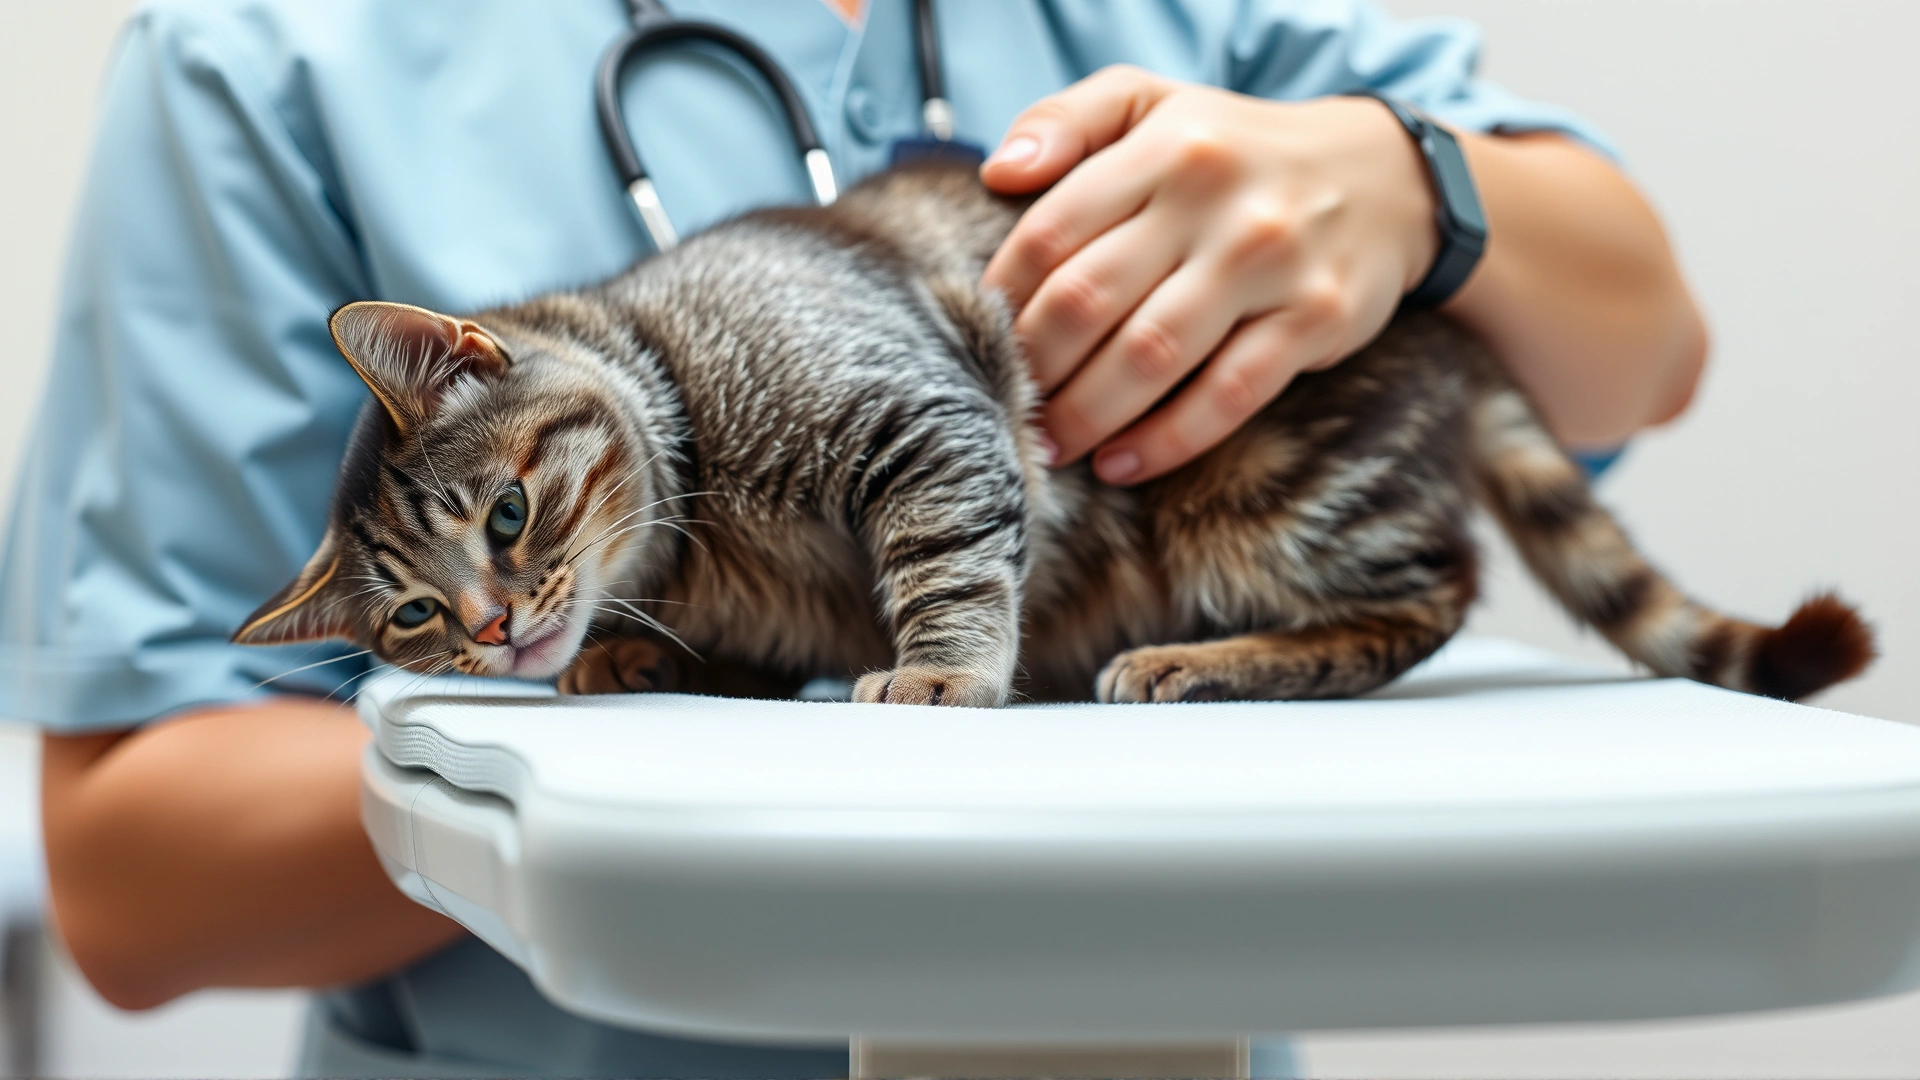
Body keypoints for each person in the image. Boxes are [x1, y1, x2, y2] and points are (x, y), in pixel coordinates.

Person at [11, 0, 1704, 1075]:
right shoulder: (274, 51)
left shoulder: (1194, 16)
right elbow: (137, 886)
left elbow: (1648, 345)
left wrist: (1412, 184)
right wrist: (666, 738)